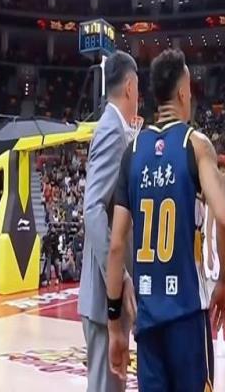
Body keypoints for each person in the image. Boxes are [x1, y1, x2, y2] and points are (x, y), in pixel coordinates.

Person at [106, 49, 225, 390]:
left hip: (148, 321)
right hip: (187, 317)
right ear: (181, 92)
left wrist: (114, 325)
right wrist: (224, 282)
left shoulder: (133, 152)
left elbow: (117, 245)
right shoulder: (196, 145)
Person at [78, 51, 138, 392]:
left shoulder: (117, 129)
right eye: (138, 88)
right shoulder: (112, 130)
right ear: (129, 86)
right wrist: (119, 278)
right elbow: (92, 209)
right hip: (105, 298)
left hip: (107, 297)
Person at [203, 161, 225, 359]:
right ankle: (209, 340)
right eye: (222, 171)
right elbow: (208, 227)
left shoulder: (221, 195)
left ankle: (220, 341)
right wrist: (208, 252)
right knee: (210, 298)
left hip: (217, 250)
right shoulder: (211, 196)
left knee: (219, 297)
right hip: (211, 251)